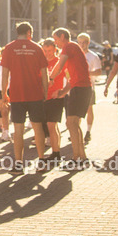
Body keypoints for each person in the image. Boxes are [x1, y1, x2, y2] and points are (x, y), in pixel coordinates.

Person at [0, 23, 49, 171]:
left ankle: (19, 163)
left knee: (18, 129)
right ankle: (41, 161)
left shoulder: (9, 48)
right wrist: (45, 92)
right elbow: (44, 73)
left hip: (16, 94)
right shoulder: (36, 48)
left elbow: (5, 74)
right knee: (37, 128)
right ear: (29, 32)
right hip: (35, 93)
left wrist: (4, 94)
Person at [49, 28, 92, 165]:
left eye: (56, 39)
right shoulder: (71, 49)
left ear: (62, 37)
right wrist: (62, 91)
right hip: (80, 88)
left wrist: (50, 79)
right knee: (73, 123)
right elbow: (71, 78)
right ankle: (81, 156)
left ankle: (77, 158)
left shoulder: (69, 47)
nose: (55, 43)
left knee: (71, 122)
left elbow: (59, 66)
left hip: (81, 89)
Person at [40, 39, 66, 160]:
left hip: (56, 97)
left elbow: (70, 77)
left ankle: (56, 153)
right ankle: (56, 150)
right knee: (51, 126)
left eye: (49, 50)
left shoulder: (59, 61)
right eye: (45, 51)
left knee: (51, 125)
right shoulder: (41, 62)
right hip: (43, 97)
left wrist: (63, 92)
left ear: (55, 49)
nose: (47, 53)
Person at [77, 34, 102, 145]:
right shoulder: (75, 55)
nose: (82, 45)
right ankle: (76, 132)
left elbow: (98, 71)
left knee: (89, 110)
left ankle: (88, 131)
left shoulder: (93, 56)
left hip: (89, 87)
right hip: (76, 87)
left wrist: (86, 73)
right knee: (76, 112)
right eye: (80, 42)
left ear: (88, 43)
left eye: (84, 42)